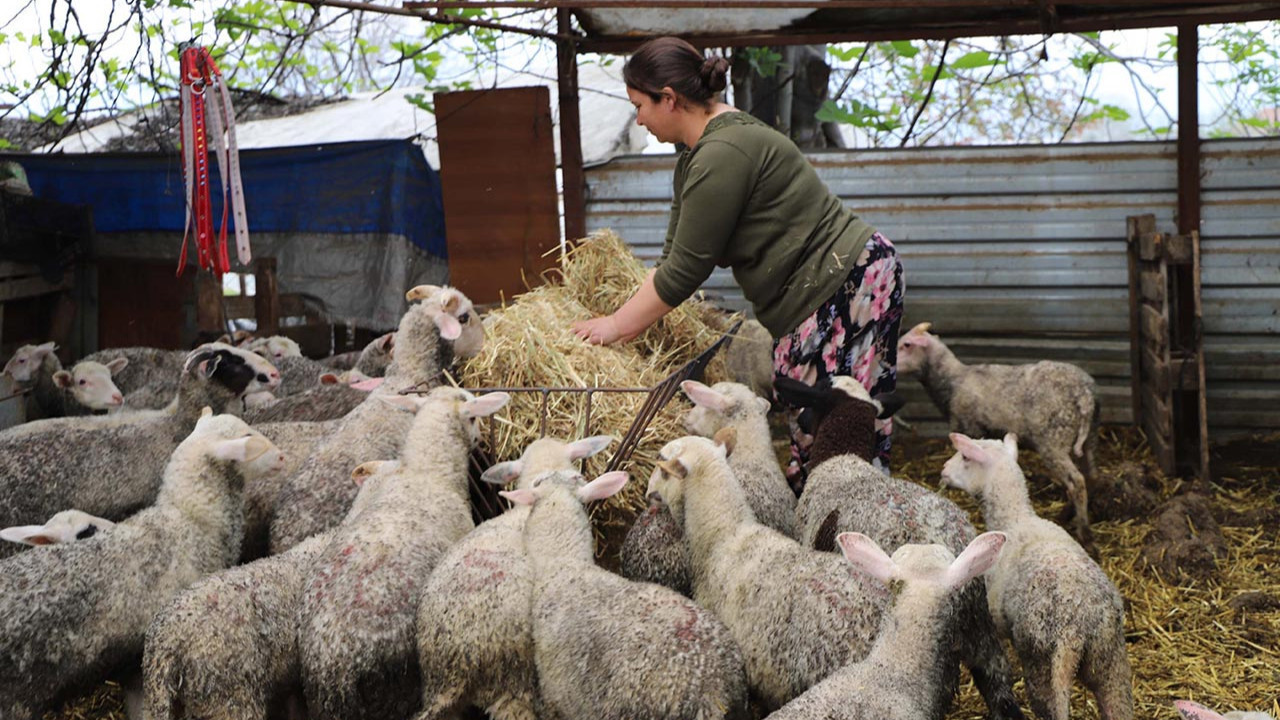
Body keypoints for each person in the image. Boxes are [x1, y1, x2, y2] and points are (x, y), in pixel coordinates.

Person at [572, 36, 904, 493]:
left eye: (640, 106)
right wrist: (624, 311)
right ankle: (834, 520)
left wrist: (615, 325)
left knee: (837, 420)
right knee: (810, 413)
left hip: (846, 281)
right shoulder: (694, 155)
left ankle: (858, 525)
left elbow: (685, 273)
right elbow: (673, 256)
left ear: (669, 99)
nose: (638, 119)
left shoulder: (722, 153)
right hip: (820, 287)